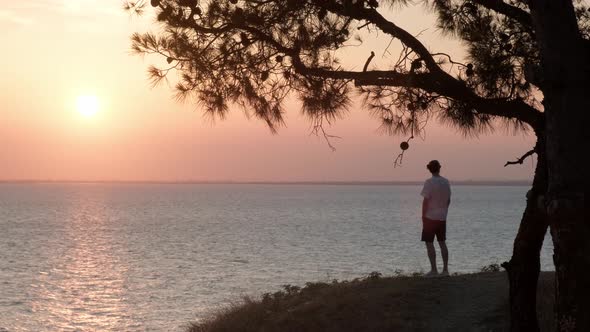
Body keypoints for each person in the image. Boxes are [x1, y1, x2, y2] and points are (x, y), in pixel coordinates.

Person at [420, 160, 451, 277]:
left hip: (430, 217)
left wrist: (423, 215)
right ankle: (445, 270)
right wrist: (444, 211)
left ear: (429, 169)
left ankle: (434, 270)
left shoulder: (429, 182)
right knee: (442, 243)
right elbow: (448, 200)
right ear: (439, 168)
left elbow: (425, 201)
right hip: (442, 217)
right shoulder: (446, 182)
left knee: (429, 243)